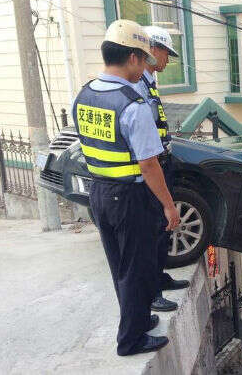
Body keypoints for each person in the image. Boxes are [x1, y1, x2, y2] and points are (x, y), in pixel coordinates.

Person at [72, 19, 181, 356]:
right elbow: (149, 164)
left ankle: (136, 320)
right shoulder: (132, 106)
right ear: (132, 57)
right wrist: (168, 204)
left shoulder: (85, 94)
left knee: (120, 265)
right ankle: (130, 340)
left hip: (99, 193)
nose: (146, 66)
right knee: (137, 267)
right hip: (129, 196)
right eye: (144, 58)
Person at [138, 25, 189, 313]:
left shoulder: (149, 82)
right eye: (166, 53)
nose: (168, 60)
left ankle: (160, 277)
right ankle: (152, 291)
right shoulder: (137, 85)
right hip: (149, 168)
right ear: (151, 50)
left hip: (161, 160)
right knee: (152, 230)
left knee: (161, 230)